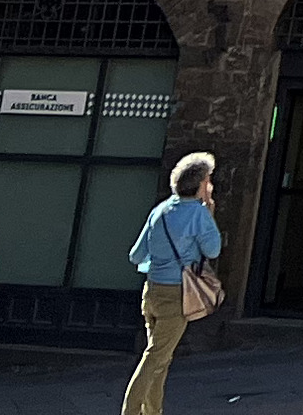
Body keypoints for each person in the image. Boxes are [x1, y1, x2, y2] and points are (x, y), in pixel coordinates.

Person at [124, 158, 222, 415]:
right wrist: (209, 212)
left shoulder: (160, 210)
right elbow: (212, 249)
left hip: (152, 290)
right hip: (177, 294)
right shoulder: (198, 213)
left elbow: (136, 255)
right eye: (208, 180)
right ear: (202, 183)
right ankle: (131, 410)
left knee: (160, 359)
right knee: (155, 357)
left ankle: (153, 411)